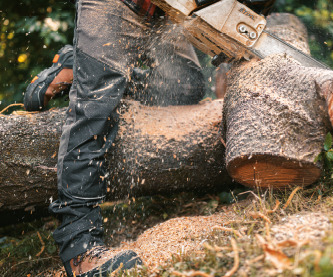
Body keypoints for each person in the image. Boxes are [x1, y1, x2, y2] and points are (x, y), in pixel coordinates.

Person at [24, 1, 275, 276]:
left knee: (186, 86)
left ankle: (77, 66)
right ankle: (79, 248)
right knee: (95, 109)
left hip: (166, 9)